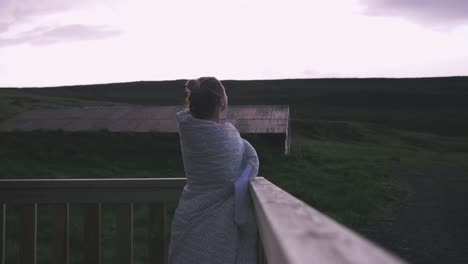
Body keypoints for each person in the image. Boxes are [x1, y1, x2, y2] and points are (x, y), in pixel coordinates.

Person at [168, 77, 259, 264]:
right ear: (222, 102)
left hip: (188, 216)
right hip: (218, 229)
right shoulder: (228, 138)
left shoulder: (188, 132)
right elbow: (250, 158)